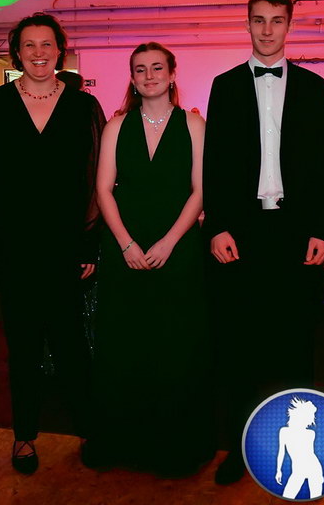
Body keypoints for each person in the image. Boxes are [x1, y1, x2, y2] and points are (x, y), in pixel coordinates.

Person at [202, 0, 324, 485]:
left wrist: (322, 229)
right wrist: (217, 225)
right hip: (242, 231)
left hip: (297, 232)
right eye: (259, 20)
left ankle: (300, 450)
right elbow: (215, 160)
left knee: (295, 344)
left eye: (277, 21)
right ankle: (240, 447)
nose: (267, 30)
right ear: (247, 24)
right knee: (239, 345)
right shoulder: (225, 85)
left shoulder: (315, 87)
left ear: (289, 26)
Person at [0, 13, 105, 474]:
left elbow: (96, 178)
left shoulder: (83, 106)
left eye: (46, 44)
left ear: (59, 51)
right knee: (23, 347)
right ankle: (24, 437)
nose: (38, 53)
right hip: (12, 246)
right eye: (29, 45)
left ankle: (88, 429)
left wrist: (90, 243)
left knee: (73, 345)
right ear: (17, 52)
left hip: (67, 246)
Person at [86, 42, 212, 476]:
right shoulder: (116, 126)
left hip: (177, 248)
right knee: (125, 344)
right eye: (141, 69)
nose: (150, 75)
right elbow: (103, 189)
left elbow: (201, 190)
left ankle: (172, 447)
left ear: (172, 73)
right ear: (133, 78)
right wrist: (125, 244)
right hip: (125, 248)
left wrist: (170, 242)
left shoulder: (194, 124)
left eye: (158, 68)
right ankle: (122, 442)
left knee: (174, 344)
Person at [275, 397, 324, 499]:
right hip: (298, 470)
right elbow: (281, 452)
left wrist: (320, 475)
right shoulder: (284, 431)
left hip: (314, 468)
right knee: (287, 496)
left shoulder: (311, 433)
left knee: (316, 499)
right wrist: (278, 470)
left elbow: (310, 453)